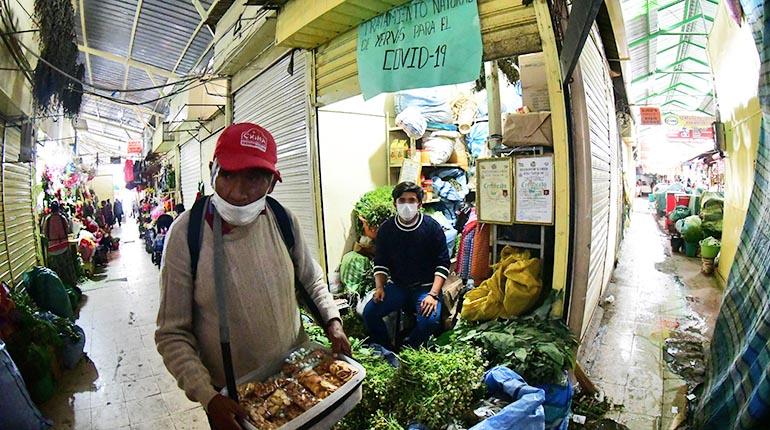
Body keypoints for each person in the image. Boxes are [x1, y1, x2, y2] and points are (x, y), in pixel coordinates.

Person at [155, 123, 350, 430]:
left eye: (255, 178)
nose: (239, 192)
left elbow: (311, 280)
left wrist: (333, 322)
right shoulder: (186, 235)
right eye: (229, 174)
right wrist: (209, 397)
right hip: (234, 398)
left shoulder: (284, 221)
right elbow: (172, 333)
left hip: (297, 373)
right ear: (212, 171)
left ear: (272, 183)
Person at [363, 182, 450, 350]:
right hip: (398, 287)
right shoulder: (387, 229)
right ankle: (386, 349)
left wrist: (433, 294)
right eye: (402, 200)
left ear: (419, 203)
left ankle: (407, 348)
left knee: (429, 322)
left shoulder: (432, 228)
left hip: (426, 288)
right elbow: (381, 262)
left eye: (411, 200)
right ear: (394, 203)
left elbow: (443, 263)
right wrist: (379, 287)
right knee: (370, 313)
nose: (406, 205)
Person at [41, 201, 77, 287]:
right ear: (58, 209)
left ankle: (59, 286)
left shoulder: (47, 219)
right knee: (67, 269)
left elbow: (45, 232)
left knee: (56, 271)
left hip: (52, 249)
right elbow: (67, 229)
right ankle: (71, 285)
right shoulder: (62, 218)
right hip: (64, 246)